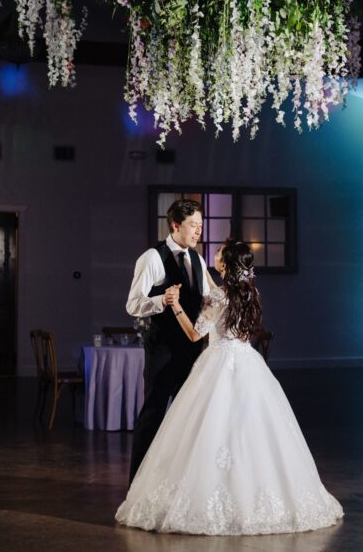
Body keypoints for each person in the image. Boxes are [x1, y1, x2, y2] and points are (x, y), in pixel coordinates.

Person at [116, 239, 343, 535]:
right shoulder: (251, 293)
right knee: (254, 432)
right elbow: (220, 294)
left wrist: (175, 307)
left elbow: (195, 334)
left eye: (219, 254)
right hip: (249, 363)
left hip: (218, 364)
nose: (215, 256)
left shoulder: (219, 297)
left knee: (207, 430)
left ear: (226, 263)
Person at [125, 199, 209, 484]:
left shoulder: (198, 259)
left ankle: (181, 483)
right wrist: (163, 300)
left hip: (193, 351)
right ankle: (137, 484)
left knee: (190, 417)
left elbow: (208, 301)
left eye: (200, 225)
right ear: (175, 225)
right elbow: (133, 304)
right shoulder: (151, 257)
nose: (199, 231)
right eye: (193, 225)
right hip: (161, 351)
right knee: (153, 413)